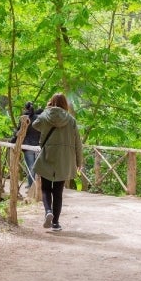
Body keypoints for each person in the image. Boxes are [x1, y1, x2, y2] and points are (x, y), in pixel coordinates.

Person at [32, 93, 83, 231]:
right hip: (64, 159)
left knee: (46, 188)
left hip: (48, 155)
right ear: (65, 104)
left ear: (51, 102)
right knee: (58, 191)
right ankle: (56, 223)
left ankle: (48, 211)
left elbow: (35, 125)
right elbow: (78, 142)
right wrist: (79, 161)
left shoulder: (45, 116)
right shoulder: (71, 120)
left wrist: (46, 110)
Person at [11, 101, 41, 189]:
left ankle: (31, 185)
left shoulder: (24, 118)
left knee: (30, 166)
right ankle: (36, 186)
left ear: (25, 108)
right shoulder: (38, 118)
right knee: (36, 166)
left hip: (27, 146)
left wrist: (14, 134)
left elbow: (19, 132)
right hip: (37, 145)